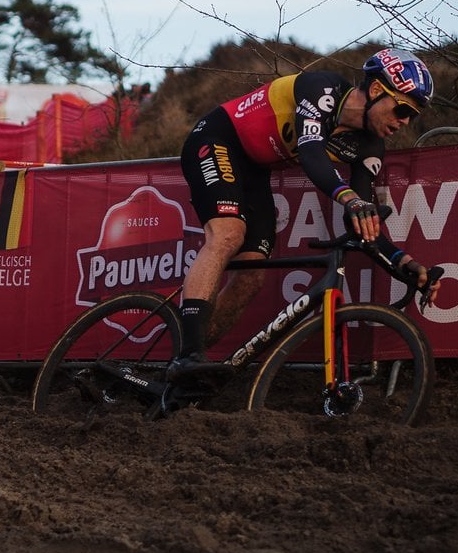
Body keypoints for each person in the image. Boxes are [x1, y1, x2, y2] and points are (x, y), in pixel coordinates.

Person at [169, 48, 442, 375]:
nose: (405, 122)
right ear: (374, 90)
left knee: (252, 276)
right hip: (218, 139)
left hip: (255, 168)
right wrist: (350, 199)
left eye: (413, 116)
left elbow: (362, 222)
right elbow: (313, 156)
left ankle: (189, 363)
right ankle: (187, 357)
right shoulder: (321, 89)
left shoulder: (369, 147)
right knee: (228, 234)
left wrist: (402, 262)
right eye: (402, 108)